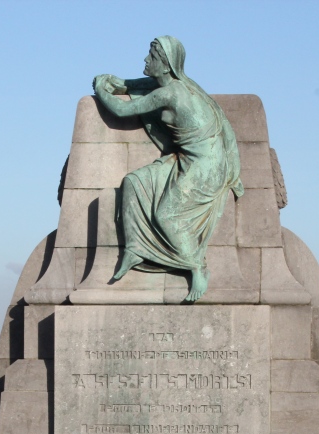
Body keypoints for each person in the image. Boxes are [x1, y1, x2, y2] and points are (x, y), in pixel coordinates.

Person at [93, 36, 243, 302]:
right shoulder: (175, 83)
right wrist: (120, 83)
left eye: (151, 57)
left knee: (166, 216)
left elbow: (122, 110)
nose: (145, 60)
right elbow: (142, 84)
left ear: (166, 65)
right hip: (186, 158)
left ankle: (197, 267)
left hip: (206, 164)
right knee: (133, 182)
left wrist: (101, 89)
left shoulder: (170, 92)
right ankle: (135, 248)